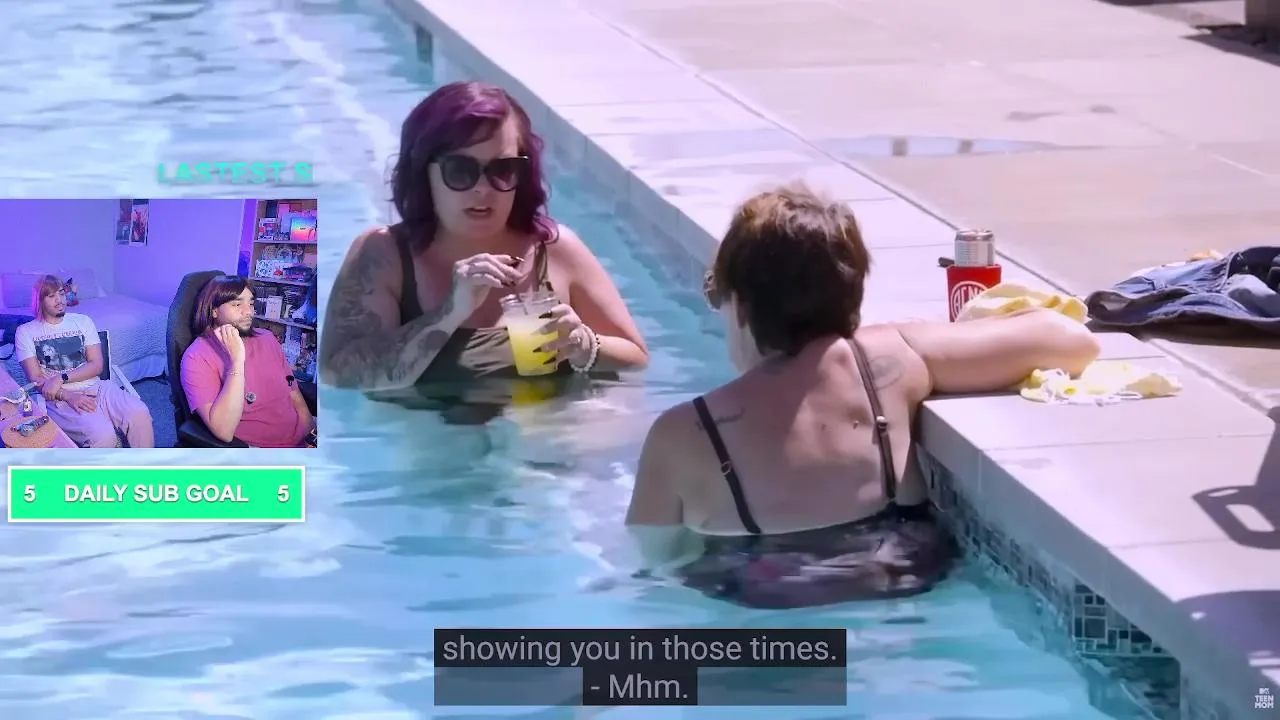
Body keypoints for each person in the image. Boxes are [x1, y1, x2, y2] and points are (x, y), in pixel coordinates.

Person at [625, 184, 1101, 609]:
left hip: (758, 619)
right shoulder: (890, 363)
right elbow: (1072, 341)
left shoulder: (682, 434)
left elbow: (655, 564)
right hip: (903, 592)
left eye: (718, 296)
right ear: (852, 296)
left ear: (743, 308)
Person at [319, 81, 649, 404]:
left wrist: (584, 346)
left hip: (551, 433)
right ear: (423, 172)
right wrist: (449, 313)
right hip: (430, 438)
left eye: (503, 170)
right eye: (460, 170)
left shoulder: (554, 248)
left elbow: (636, 358)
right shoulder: (385, 255)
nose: (482, 189)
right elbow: (339, 376)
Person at [15, 275, 155, 448]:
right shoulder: (25, 332)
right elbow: (36, 379)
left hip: (97, 387)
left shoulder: (83, 321)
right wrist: (68, 395)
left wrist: (61, 377)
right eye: (51, 296)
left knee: (140, 413)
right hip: (60, 398)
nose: (60, 300)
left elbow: (96, 365)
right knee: (103, 436)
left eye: (61, 293)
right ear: (39, 301)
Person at [181, 275, 316, 448]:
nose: (249, 312)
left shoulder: (267, 338)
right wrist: (237, 361)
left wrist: (310, 436)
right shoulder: (197, 357)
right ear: (214, 311)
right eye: (237, 305)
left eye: (251, 303)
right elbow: (223, 431)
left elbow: (294, 395)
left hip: (303, 441)